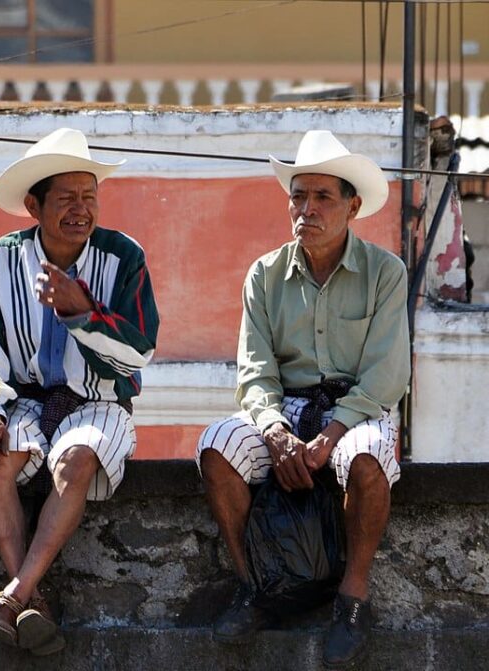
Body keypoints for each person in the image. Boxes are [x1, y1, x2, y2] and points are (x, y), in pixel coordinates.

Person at [196, 130, 409, 669]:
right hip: (286, 409)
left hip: (353, 409)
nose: (306, 209)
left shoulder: (386, 272)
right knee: (217, 446)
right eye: (298, 196)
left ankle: (351, 602)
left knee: (366, 458)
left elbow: (386, 376)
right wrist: (275, 432)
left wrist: (330, 435)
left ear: (351, 206)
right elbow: (254, 372)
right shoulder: (264, 275)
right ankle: (256, 590)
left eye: (322, 197)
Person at [0, 128, 160, 655]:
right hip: (21, 400)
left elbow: (138, 353)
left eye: (89, 196)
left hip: (99, 400)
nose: (81, 208)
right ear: (34, 204)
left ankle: (12, 596)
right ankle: (33, 602)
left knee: (75, 460)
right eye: (66, 197)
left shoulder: (124, 258)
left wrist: (80, 312)